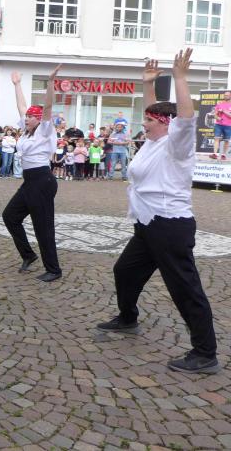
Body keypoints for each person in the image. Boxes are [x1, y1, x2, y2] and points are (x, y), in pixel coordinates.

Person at [97, 50, 219, 374]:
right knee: (125, 271)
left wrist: (180, 78)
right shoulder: (152, 142)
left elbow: (185, 119)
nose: (144, 123)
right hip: (148, 226)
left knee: (185, 289)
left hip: (170, 227)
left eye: (149, 121)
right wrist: (148, 84)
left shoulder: (176, 146)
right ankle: (128, 318)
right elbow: (155, 112)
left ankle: (205, 353)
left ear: (166, 125)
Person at [3, 67, 63, 282]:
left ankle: (54, 269)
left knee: (42, 227)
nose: (26, 118)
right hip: (30, 181)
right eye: (27, 116)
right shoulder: (27, 132)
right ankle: (28, 255)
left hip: (42, 180)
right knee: (10, 217)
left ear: (39, 119)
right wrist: (17, 84)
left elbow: (48, 107)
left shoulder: (45, 130)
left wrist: (51, 82)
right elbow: (21, 106)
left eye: (30, 116)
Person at [211, 91, 231, 160]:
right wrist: (217, 118)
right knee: (216, 138)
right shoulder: (219, 104)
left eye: (227, 95)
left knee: (226, 140)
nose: (226, 96)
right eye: (225, 95)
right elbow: (215, 115)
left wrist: (224, 111)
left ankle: (223, 155)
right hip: (219, 124)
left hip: (228, 125)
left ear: (230, 96)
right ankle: (215, 154)